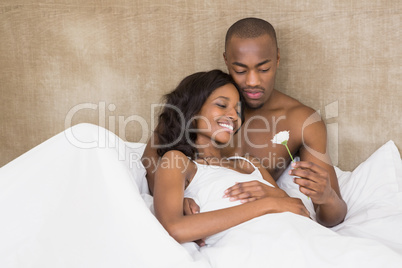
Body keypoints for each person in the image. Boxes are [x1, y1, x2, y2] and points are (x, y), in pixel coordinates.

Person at [142, 18, 347, 228]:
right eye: (240, 70)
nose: (252, 82)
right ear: (226, 61)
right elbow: (150, 156)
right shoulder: (202, 102)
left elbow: (330, 216)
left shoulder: (302, 121)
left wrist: (328, 197)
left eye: (264, 69)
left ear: (277, 59)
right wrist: (172, 200)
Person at [152, 69, 310, 245]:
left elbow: (299, 210)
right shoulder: (177, 161)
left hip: (304, 238)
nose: (234, 116)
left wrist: (273, 194)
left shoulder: (251, 164)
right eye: (221, 105)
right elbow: (174, 229)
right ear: (193, 109)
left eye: (238, 110)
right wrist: (267, 204)